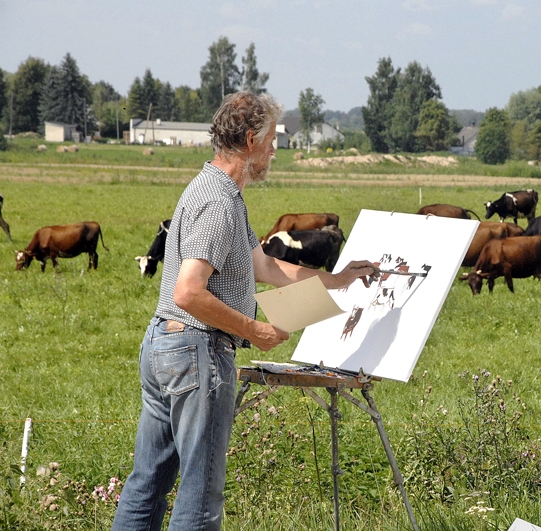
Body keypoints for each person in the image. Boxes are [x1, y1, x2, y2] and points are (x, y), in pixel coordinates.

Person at [111, 91, 377, 531]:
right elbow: (189, 292)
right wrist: (253, 329)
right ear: (251, 140)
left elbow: (266, 265)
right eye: (272, 140)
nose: (276, 150)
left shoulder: (221, 192)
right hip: (197, 351)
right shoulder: (218, 203)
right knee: (198, 496)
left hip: (165, 348)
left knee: (147, 485)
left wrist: (338, 279)